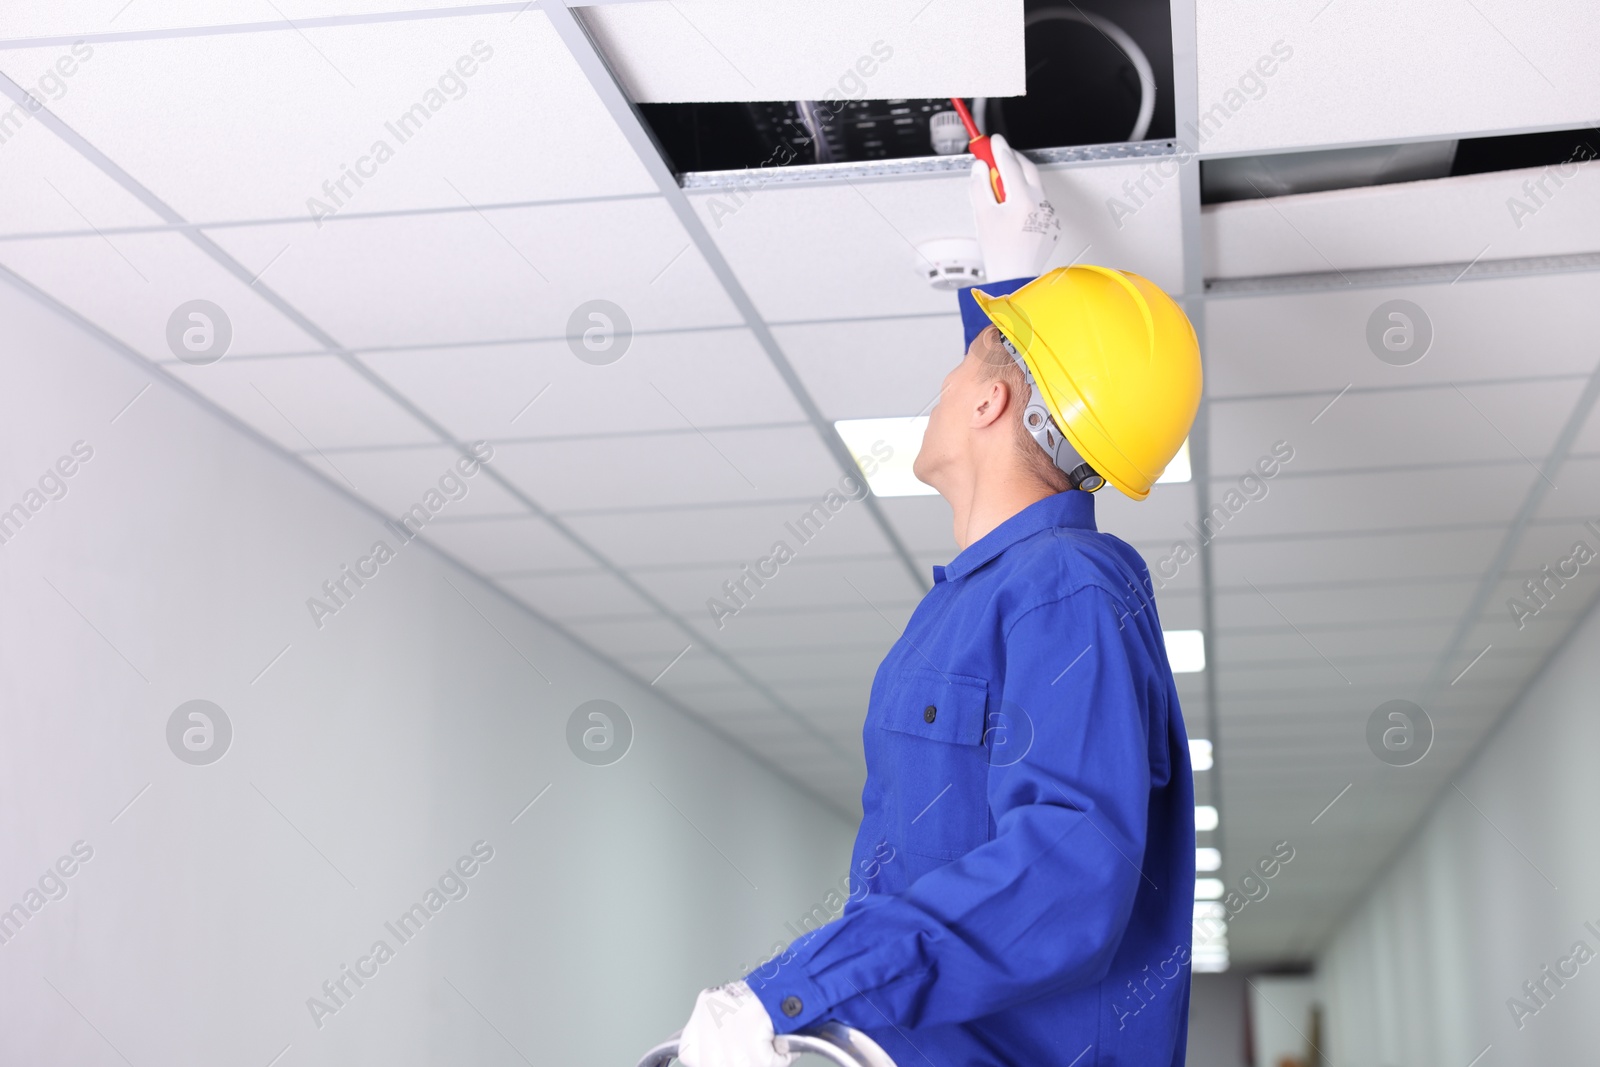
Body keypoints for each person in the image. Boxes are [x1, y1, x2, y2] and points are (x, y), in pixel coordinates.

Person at [676, 135, 1203, 1067]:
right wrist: (1011, 277)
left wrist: (790, 991)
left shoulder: (1068, 591)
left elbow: (1067, 867)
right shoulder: (1004, 591)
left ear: (994, 409)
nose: (947, 385)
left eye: (968, 368)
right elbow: (1015, 407)